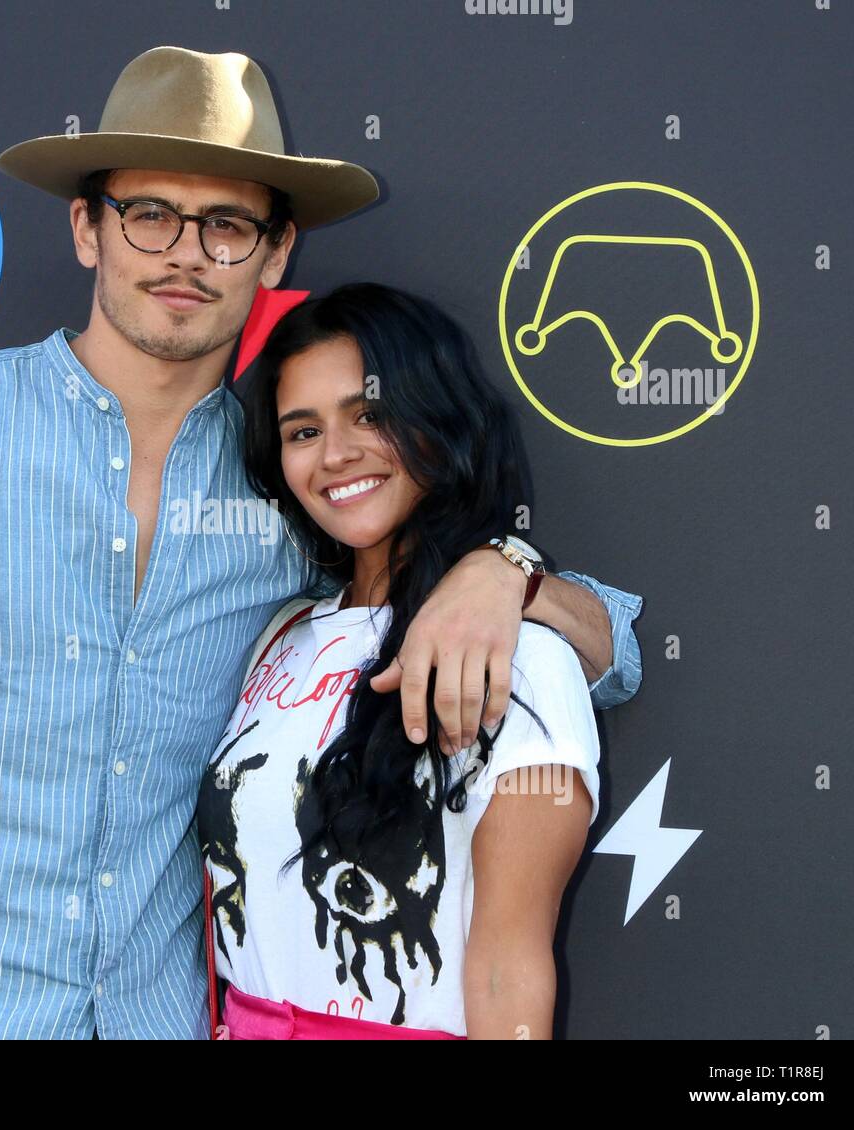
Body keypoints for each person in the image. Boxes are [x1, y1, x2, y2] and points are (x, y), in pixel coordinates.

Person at [0, 46, 642, 1040]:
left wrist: (505, 571)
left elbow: (609, 649)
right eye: (149, 213)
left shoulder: (291, 485)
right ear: (85, 228)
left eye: (227, 224)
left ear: (275, 255)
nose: (185, 254)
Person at [200, 282, 612, 1039]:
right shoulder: (278, 638)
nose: (336, 455)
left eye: (370, 414)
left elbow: (507, 972)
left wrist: (505, 572)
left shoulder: (523, 658)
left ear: (437, 418)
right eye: (301, 431)